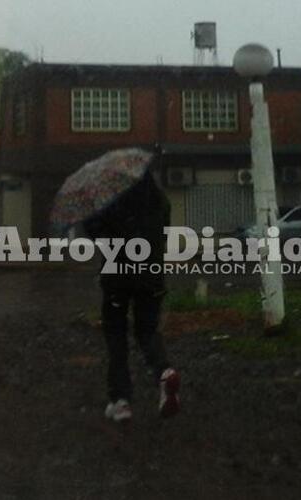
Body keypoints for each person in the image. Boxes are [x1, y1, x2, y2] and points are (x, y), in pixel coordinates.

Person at [84, 171, 180, 423]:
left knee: (116, 336)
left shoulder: (111, 201)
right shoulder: (160, 201)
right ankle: (164, 371)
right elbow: (162, 235)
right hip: (151, 276)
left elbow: (93, 230)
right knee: (147, 331)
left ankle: (121, 401)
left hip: (117, 278)